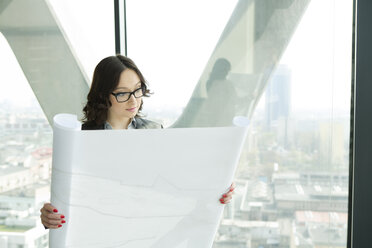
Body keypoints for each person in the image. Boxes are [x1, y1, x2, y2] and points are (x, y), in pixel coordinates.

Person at [40, 55, 235, 229]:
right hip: (100, 232)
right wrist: (50, 215)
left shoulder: (154, 132)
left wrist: (216, 190)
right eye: (122, 93)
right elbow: (69, 196)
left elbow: (175, 185)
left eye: (137, 90)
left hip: (145, 232)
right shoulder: (79, 138)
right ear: (103, 95)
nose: (134, 101)